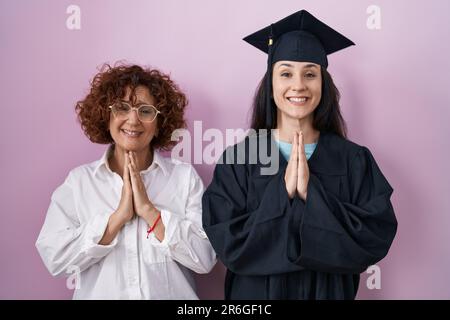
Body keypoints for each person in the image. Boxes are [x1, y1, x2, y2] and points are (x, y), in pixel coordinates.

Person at [202, 10, 397, 299]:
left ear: (323, 84)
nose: (298, 85)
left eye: (309, 74)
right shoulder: (241, 159)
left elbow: (374, 236)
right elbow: (228, 244)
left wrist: (311, 192)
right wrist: (282, 194)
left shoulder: (352, 159)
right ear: (271, 85)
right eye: (285, 73)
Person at [36, 63, 216, 299]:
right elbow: (55, 259)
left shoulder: (183, 178)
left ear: (159, 120)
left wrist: (151, 213)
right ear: (106, 114)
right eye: (122, 108)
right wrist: (116, 220)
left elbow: (205, 259)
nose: (133, 120)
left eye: (145, 110)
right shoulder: (79, 182)